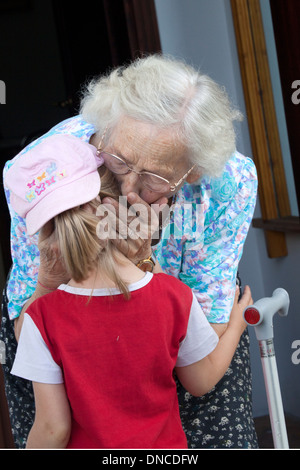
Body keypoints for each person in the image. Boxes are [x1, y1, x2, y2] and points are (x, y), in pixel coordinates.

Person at [1, 54, 258, 448]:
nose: (128, 188)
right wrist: (52, 281)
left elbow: (203, 337)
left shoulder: (229, 183)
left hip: (178, 329)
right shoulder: (45, 169)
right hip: (62, 330)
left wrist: (145, 267)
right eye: (118, 161)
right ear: (104, 130)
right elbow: (29, 328)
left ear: (190, 173)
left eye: (154, 178)